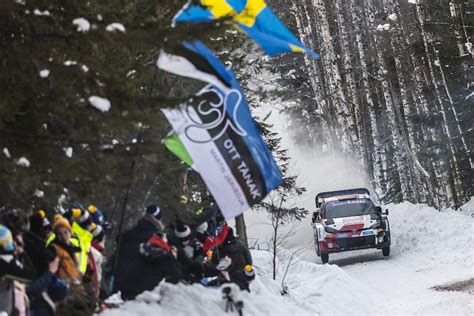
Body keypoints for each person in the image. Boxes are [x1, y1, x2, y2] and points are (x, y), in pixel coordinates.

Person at [110, 204, 164, 294]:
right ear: (157, 220)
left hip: (118, 272)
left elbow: (119, 240)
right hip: (134, 279)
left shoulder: (133, 230)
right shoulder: (155, 237)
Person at [120, 231, 182, 300]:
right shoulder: (165, 257)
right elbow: (176, 276)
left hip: (125, 291)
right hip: (143, 296)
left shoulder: (140, 248)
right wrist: (174, 259)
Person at [48, 216, 81, 284]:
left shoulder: (72, 248)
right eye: (60, 234)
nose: (63, 236)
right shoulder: (53, 249)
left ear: (70, 232)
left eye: (65, 232)